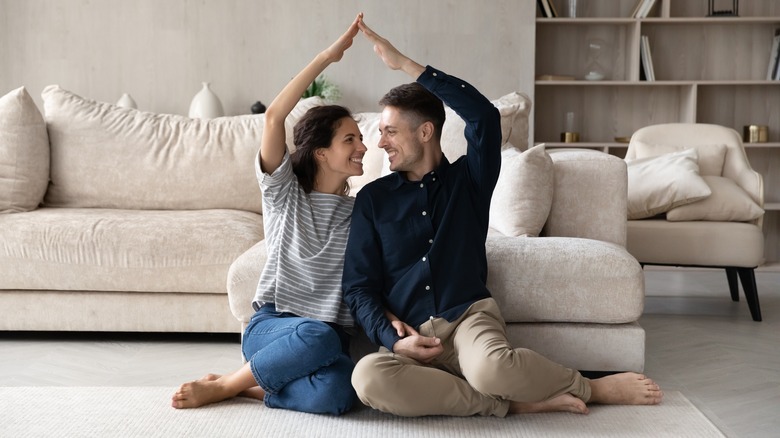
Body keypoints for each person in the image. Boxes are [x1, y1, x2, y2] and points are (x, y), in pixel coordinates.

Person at [342, 17, 664, 417]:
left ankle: (590, 387)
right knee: (367, 378)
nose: (380, 142)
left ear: (426, 132)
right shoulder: (373, 199)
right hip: (410, 336)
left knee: (493, 367)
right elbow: (358, 288)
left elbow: (483, 117)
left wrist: (408, 65)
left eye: (390, 131)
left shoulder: (469, 181)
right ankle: (512, 405)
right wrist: (392, 341)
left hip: (468, 321)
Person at [171, 13, 366, 415]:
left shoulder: (361, 212)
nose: (362, 146)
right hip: (274, 328)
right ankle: (228, 383)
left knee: (342, 394)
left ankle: (249, 387)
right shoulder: (284, 194)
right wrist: (328, 56)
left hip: (328, 340)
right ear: (321, 152)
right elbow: (274, 116)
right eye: (351, 139)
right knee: (320, 337)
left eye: (361, 139)